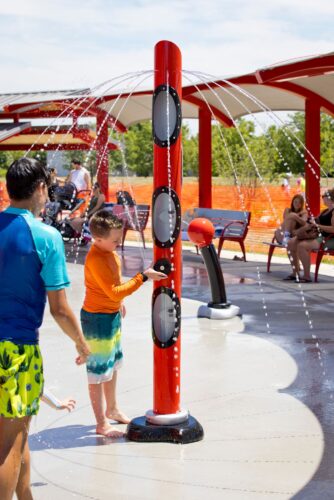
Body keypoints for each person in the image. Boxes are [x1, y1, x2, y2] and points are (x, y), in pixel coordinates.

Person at [0, 157, 90, 500]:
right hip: (17, 350)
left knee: (17, 431)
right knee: (9, 442)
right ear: (40, 189)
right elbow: (60, 309)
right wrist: (81, 343)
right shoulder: (47, 237)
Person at [79, 209, 167, 438]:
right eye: (115, 240)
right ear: (98, 239)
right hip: (96, 320)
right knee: (98, 372)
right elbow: (115, 292)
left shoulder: (111, 254)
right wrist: (143, 277)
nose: (119, 243)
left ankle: (112, 408)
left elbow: (114, 287)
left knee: (112, 365)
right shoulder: (97, 259)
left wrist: (117, 306)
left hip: (110, 316)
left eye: (120, 238)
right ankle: (101, 423)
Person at [286, 188, 334, 282]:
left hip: (328, 238)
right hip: (318, 236)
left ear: (329, 198)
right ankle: (295, 272)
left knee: (302, 246)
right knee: (291, 243)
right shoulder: (325, 211)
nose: (322, 198)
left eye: (323, 197)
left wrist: (317, 225)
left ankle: (307, 276)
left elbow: (333, 229)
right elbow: (315, 221)